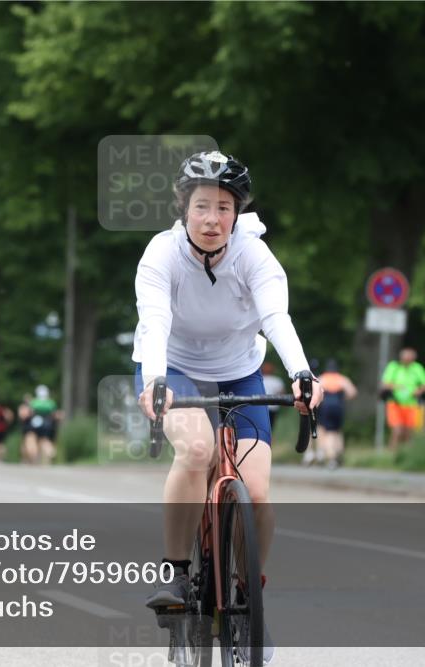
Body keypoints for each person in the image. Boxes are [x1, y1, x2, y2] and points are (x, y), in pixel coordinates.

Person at [133, 151, 321, 665]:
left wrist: (302, 373)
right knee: (195, 450)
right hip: (173, 369)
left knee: (256, 492)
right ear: (184, 209)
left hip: (240, 370)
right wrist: (155, 381)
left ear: (237, 213)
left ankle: (247, 594)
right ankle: (175, 574)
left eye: (222, 207)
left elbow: (276, 318)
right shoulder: (162, 254)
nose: (212, 219)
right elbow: (154, 322)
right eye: (201, 207)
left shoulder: (254, 256)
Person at [380, 347, 425, 452]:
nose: (407, 361)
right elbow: (385, 384)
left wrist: (419, 390)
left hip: (412, 404)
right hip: (395, 403)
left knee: (409, 431)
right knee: (397, 430)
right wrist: (396, 387)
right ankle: (392, 453)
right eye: (405, 359)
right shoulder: (394, 367)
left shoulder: (417, 368)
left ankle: (406, 455)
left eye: (410, 359)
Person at [316, 359, 357, 469]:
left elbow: (315, 392)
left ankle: (330, 456)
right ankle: (338, 454)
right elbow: (352, 392)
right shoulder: (342, 379)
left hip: (325, 407)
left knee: (326, 431)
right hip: (338, 406)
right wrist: (342, 398)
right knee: (336, 431)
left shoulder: (322, 378)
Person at [26, 385, 58, 465]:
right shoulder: (51, 402)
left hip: (36, 422)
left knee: (32, 438)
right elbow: (54, 414)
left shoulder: (34, 402)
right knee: (45, 440)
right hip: (47, 423)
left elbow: (30, 413)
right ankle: (50, 452)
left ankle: (34, 455)